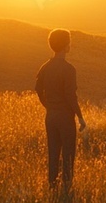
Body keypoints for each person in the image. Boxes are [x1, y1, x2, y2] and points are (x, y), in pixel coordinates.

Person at [35, 29, 87, 190]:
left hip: (50, 116)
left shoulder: (45, 66)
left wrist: (48, 105)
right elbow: (71, 96)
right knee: (68, 154)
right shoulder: (69, 69)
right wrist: (80, 116)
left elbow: (38, 89)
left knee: (53, 152)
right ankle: (67, 187)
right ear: (66, 45)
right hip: (65, 118)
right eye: (69, 41)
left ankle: (52, 186)